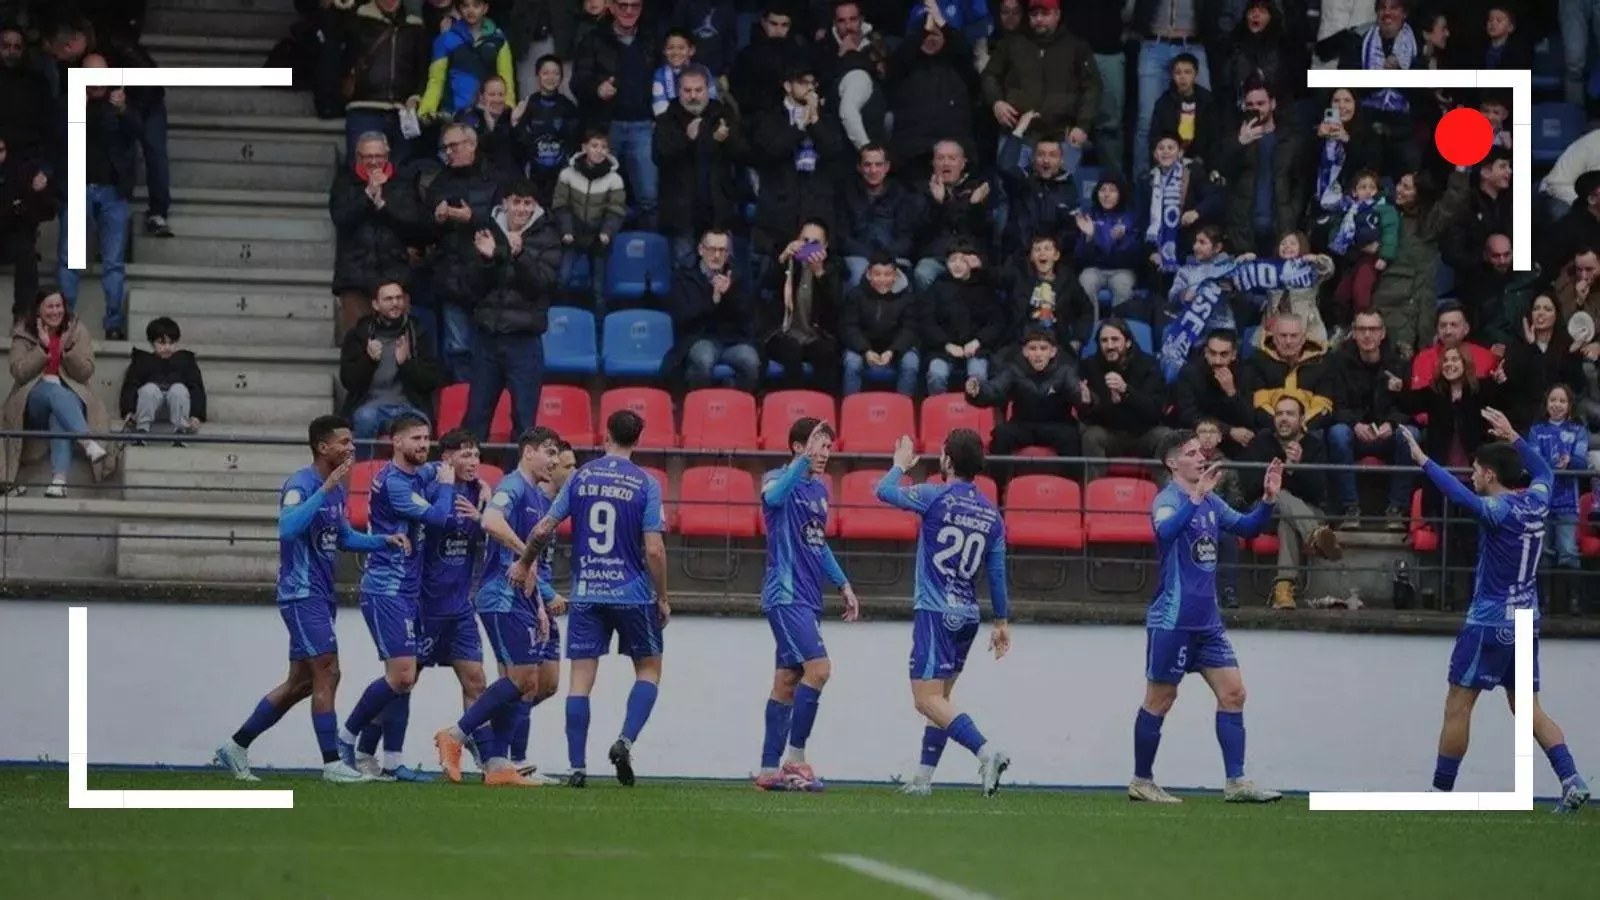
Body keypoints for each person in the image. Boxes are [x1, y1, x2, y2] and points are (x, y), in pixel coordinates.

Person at [1399, 410, 1591, 813]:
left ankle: (1439, 795)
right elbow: (1543, 471)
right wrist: (1515, 436)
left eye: (1475, 470)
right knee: (1527, 708)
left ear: (1489, 474)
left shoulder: (1497, 510)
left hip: (1489, 622)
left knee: (1458, 703)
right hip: (1526, 618)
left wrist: (1423, 460)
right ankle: (1572, 779)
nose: (1471, 476)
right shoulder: (1537, 499)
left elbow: (1458, 495)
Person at [213, 415, 407, 784]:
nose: (351, 448)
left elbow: (343, 538)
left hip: (320, 593)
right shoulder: (301, 484)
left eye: (351, 442)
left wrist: (383, 541)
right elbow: (287, 528)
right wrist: (325, 488)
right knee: (328, 671)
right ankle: (332, 763)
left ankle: (236, 745)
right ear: (323, 447)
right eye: (344, 442)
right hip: (301, 593)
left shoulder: (336, 490)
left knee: (302, 682)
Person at [509, 410, 670, 788]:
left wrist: (525, 562)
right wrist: (662, 596)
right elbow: (654, 549)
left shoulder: (580, 477)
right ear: (638, 440)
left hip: (586, 593)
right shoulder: (646, 483)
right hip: (632, 594)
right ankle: (624, 741)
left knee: (580, 682)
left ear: (605, 435)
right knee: (648, 670)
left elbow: (543, 528)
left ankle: (577, 767)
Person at [1132, 430, 1285, 804]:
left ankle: (1237, 782)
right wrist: (1195, 497)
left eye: (1201, 452)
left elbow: (1247, 527)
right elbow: (1165, 531)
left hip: (1208, 622)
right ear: (1172, 463)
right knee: (1160, 699)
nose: (1201, 457)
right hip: (1174, 620)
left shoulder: (1212, 501)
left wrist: (1267, 500)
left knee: (1234, 693)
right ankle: (1141, 781)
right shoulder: (1167, 500)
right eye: (1191, 453)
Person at [874, 430, 1012, 797]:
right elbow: (997, 573)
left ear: (948, 461)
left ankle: (986, 752)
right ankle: (923, 779)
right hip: (968, 615)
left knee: (925, 699)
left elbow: (883, 491)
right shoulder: (992, 514)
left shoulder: (935, 496)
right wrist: (1001, 621)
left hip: (935, 611)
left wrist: (899, 466)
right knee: (941, 701)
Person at [357, 429, 491, 779]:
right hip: (425, 604)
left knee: (476, 680)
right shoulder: (429, 489)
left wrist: (485, 509)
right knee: (403, 680)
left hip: (460, 605)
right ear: (446, 459)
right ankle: (366, 750)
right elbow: (430, 522)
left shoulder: (479, 491)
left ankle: (488, 759)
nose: (474, 462)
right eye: (465, 455)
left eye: (476, 455)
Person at [435, 426, 561, 788]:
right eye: (549, 452)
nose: (554, 461)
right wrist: (526, 556)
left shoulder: (537, 496)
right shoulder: (513, 486)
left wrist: (539, 602)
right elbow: (491, 521)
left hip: (521, 597)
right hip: (501, 596)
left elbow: (531, 565)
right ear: (528, 452)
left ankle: (497, 764)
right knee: (520, 680)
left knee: (526, 683)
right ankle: (455, 735)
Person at [336, 414, 460, 779]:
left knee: (405, 680)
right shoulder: (394, 484)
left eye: (426, 438)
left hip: (408, 590)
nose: (423, 444)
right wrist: (448, 485)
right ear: (397, 442)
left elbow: (440, 467)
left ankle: (391, 762)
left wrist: (468, 477)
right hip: (386, 588)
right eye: (415, 438)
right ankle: (345, 738)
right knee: (402, 676)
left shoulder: (414, 473)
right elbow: (440, 518)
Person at [755, 419, 860, 791]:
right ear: (798, 447)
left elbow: (818, 542)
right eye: (818, 445)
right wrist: (800, 463)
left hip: (808, 597)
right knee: (820, 669)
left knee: (787, 681)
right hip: (785, 596)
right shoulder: (776, 479)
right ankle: (796, 760)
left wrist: (843, 583)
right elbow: (772, 499)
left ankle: (768, 771)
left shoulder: (819, 489)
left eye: (828, 447)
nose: (824, 453)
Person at [2, 290, 117, 498]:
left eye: (59, 306)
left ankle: (59, 481)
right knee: (53, 390)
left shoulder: (77, 330)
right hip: (33, 400)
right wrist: (42, 348)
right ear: (39, 309)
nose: (55, 311)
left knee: (60, 410)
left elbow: (86, 372)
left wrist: (66, 352)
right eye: (50, 306)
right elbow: (19, 372)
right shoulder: (23, 332)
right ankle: (87, 441)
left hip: (71, 397)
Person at [118, 316, 206, 443]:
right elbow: (131, 386)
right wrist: (129, 411)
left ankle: (180, 431)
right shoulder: (142, 361)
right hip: (149, 408)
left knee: (179, 389)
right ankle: (141, 431)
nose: (167, 347)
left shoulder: (185, 361)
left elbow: (196, 387)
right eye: (162, 343)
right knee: (150, 389)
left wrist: (196, 415)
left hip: (176, 408)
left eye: (171, 343)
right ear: (152, 342)